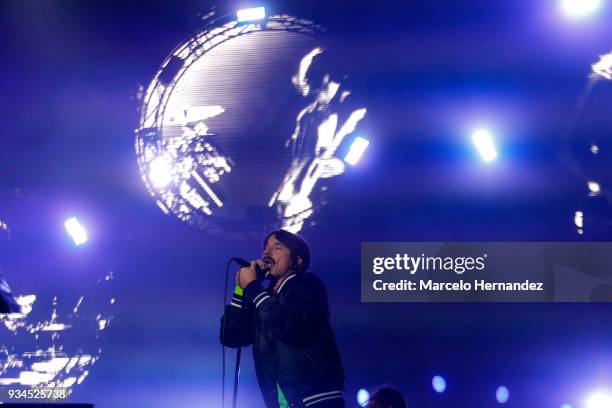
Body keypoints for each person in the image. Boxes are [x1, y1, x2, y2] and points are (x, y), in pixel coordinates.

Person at [220, 229, 345, 407]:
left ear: (297, 260)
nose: (267, 253)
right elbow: (231, 338)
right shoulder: (265, 299)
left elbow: (292, 327)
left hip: (315, 400)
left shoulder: (307, 285)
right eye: (266, 248)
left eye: (277, 247)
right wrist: (241, 290)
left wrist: (254, 287)